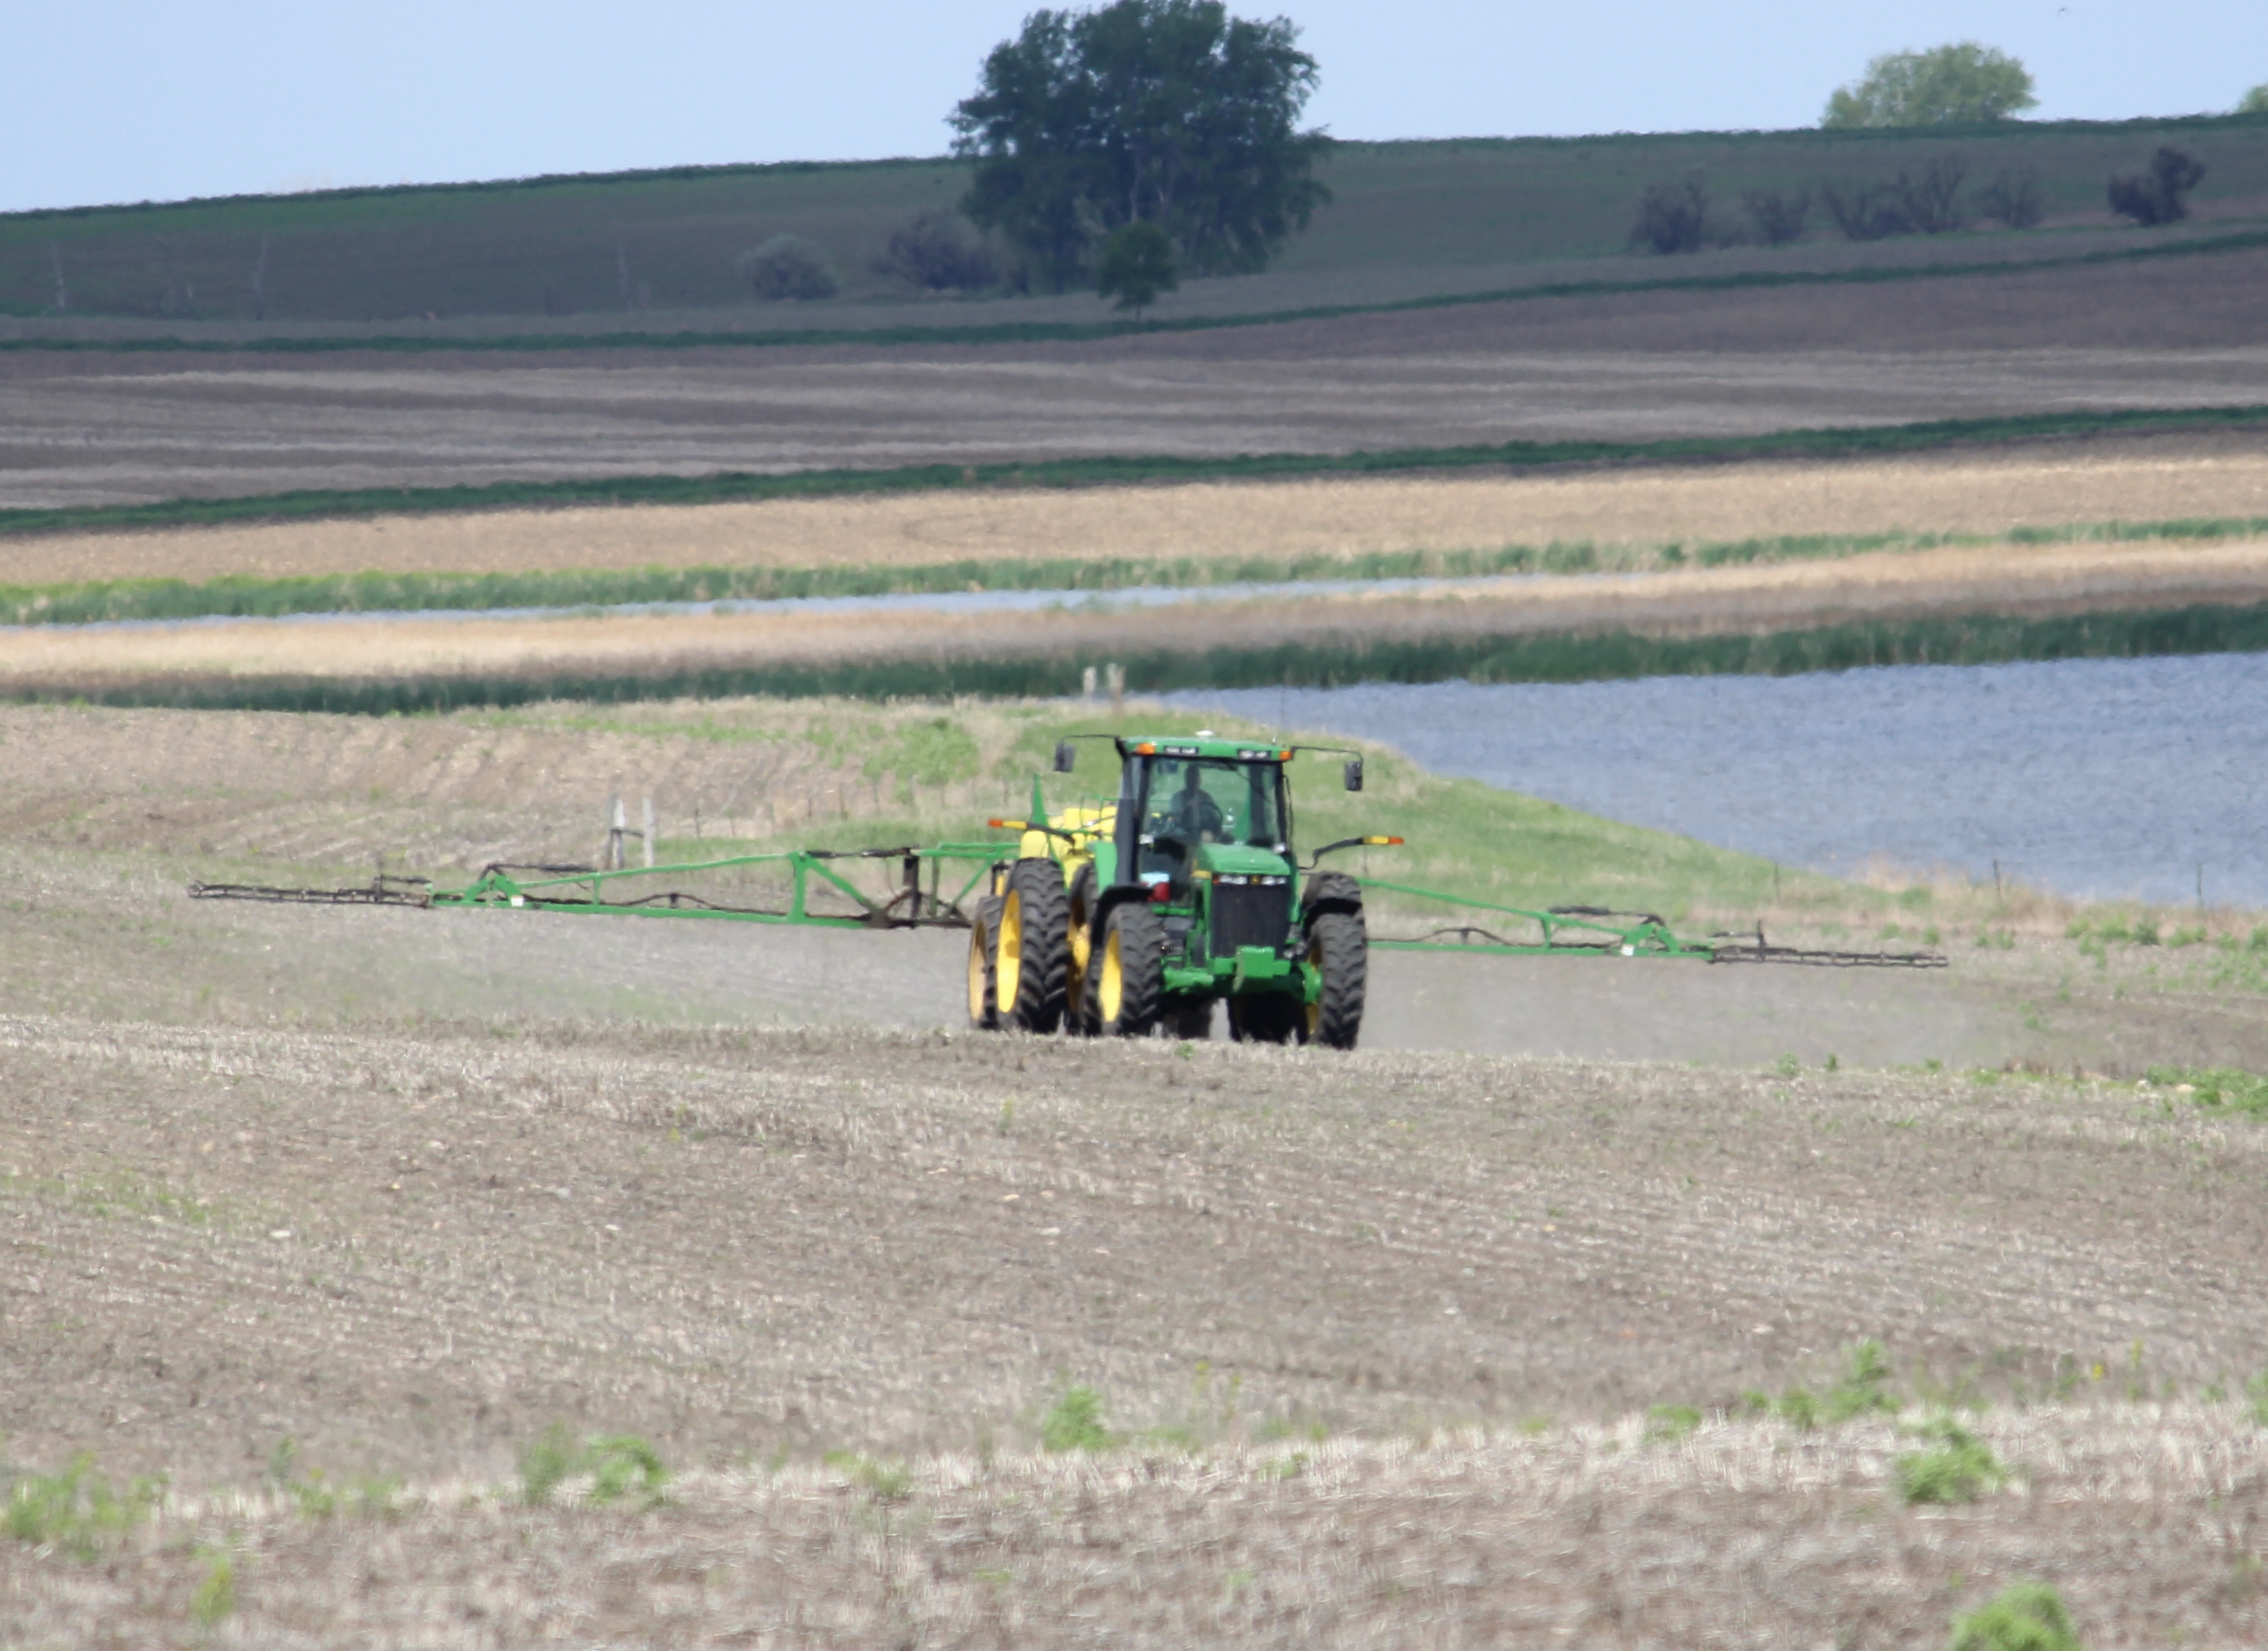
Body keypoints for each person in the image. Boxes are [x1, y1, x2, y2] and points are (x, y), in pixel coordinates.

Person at [1162, 764, 1225, 842]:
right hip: (1183, 831)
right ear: (1186, 779)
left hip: (1203, 831)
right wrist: (1188, 807)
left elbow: (1214, 817)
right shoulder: (1178, 797)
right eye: (1191, 778)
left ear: (1199, 779)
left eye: (1196, 777)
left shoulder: (1206, 797)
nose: (1193, 780)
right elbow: (1175, 817)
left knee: (1211, 837)